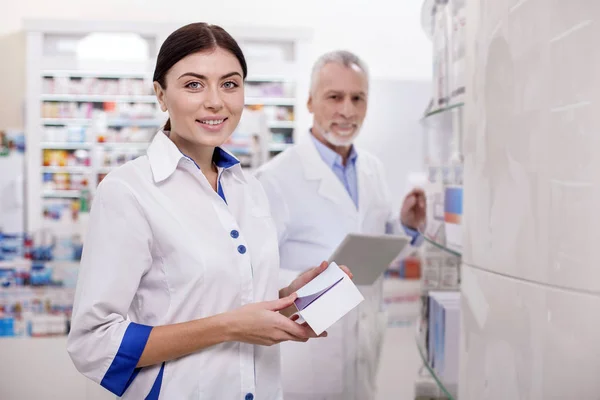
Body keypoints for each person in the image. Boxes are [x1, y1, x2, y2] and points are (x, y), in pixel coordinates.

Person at [66, 23, 350, 400]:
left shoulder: (249, 189)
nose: (215, 101)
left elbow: (231, 304)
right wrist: (229, 327)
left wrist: (287, 300)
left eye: (230, 84)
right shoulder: (128, 191)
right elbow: (92, 342)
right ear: (161, 95)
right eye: (194, 84)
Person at [255, 50, 427, 400]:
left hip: (363, 334)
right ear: (310, 102)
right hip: (307, 349)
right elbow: (253, 274)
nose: (347, 110)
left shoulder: (372, 170)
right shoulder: (275, 178)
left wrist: (406, 226)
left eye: (357, 98)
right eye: (334, 97)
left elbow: (375, 244)